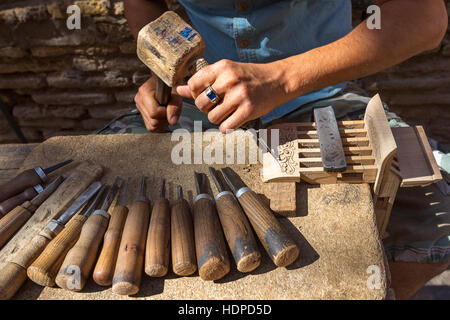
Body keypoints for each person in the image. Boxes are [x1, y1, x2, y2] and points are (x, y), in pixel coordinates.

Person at [102, 0, 448, 299]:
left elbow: (424, 15)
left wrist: (282, 79)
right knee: (105, 194)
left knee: (440, 222)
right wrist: (168, 70)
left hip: (320, 89)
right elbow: (144, 4)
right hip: (207, 98)